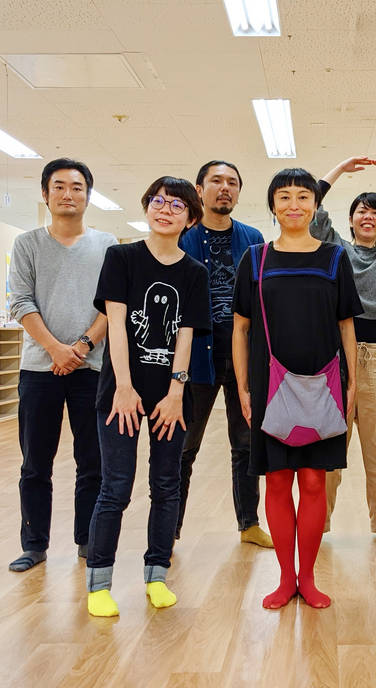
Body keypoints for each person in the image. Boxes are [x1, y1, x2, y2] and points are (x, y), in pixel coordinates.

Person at [233, 168, 362, 609]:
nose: (294, 204)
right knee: (277, 481)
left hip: (324, 384)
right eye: (284, 196)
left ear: (315, 204)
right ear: (272, 205)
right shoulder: (255, 259)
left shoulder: (334, 258)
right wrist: (243, 388)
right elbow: (240, 328)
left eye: (303, 196)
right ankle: (285, 578)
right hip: (269, 386)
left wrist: (353, 383)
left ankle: (307, 577)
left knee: (312, 481)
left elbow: (347, 325)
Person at [86, 177, 210, 617]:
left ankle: (157, 575)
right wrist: (123, 386)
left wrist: (177, 391)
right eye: (158, 201)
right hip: (120, 392)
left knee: (166, 485)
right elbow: (117, 326)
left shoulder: (194, 272)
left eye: (177, 205)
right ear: (147, 207)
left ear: (190, 219)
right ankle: (99, 583)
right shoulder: (121, 258)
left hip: (170, 398)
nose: (165, 209)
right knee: (115, 486)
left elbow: (185, 336)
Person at [8, 158, 116, 572]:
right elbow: (21, 302)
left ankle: (87, 541)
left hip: (92, 368)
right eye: (59, 187)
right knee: (36, 463)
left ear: (88, 195)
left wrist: (82, 345)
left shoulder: (107, 245)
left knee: (92, 462)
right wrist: (55, 348)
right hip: (40, 369)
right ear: (45, 194)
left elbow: (113, 304)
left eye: (76, 187)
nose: (68, 194)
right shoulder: (28, 244)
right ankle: (34, 544)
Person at [310, 156, 376, 535]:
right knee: (328, 449)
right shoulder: (336, 250)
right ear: (351, 220)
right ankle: (316, 524)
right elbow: (313, 205)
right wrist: (340, 168)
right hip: (338, 359)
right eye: (361, 211)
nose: (368, 217)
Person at [178, 160, 272, 548]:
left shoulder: (252, 238)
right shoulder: (183, 236)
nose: (225, 187)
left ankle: (249, 523)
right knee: (184, 446)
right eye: (216, 180)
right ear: (199, 190)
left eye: (232, 182)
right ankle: (170, 529)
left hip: (242, 355)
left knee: (246, 444)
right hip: (195, 356)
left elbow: (262, 299)